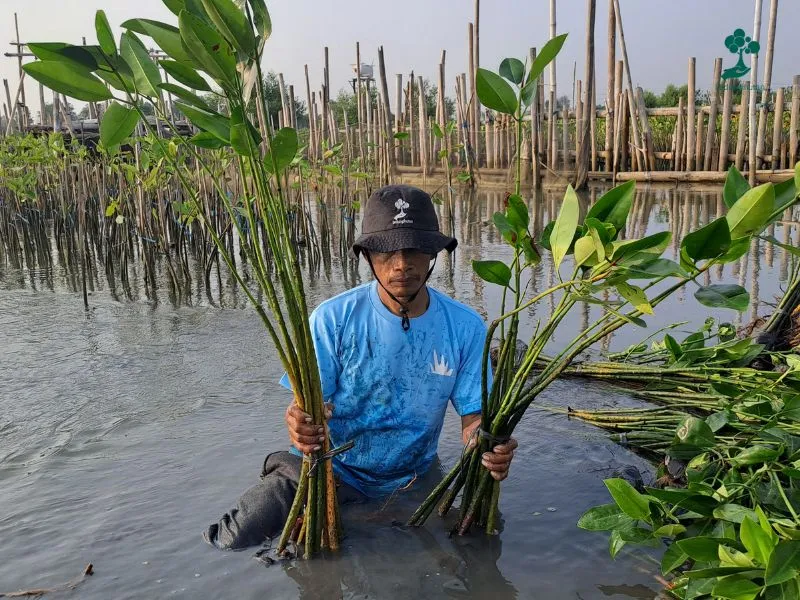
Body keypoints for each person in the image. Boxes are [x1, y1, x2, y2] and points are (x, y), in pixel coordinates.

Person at [204, 184, 517, 550]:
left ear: (433, 252)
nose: (402, 264)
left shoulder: (466, 327)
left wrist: (490, 447)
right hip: (329, 471)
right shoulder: (332, 319)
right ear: (368, 254)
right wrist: (300, 424)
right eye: (387, 251)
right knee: (231, 540)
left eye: (415, 249)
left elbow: (474, 421)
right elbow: (305, 408)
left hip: (413, 480)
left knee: (471, 542)